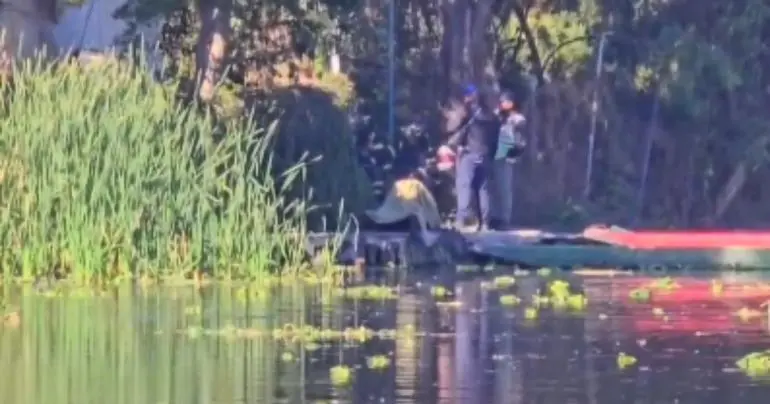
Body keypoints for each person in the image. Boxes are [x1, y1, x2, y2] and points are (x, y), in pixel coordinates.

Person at [438, 84, 500, 231]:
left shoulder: (468, 113)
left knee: (463, 185)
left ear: (471, 97)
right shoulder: (492, 115)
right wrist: (491, 154)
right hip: (485, 155)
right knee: (483, 189)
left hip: (470, 153)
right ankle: (484, 222)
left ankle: (461, 221)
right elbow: (496, 138)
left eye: (467, 95)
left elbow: (452, 128)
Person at [491, 91, 526, 229]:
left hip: (507, 155)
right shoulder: (498, 116)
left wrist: (507, 118)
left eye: (506, 102)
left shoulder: (517, 118)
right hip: (496, 154)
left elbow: (518, 127)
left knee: (505, 188)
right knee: (494, 188)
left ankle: (504, 218)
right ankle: (494, 217)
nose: (503, 104)